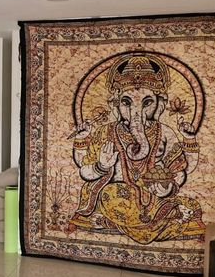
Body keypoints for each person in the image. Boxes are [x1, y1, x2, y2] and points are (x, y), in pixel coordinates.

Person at [69, 52, 205, 244]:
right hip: (117, 195)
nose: (136, 111)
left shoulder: (164, 132)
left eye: (147, 103)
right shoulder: (105, 132)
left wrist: (166, 188)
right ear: (115, 105)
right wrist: (101, 165)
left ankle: (118, 223)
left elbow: (181, 171)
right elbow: (84, 170)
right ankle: (152, 220)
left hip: (154, 195)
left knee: (191, 205)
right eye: (126, 102)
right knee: (110, 195)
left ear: (159, 105)